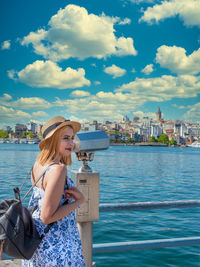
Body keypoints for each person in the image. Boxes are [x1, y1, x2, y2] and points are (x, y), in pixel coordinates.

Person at [22, 116, 86, 267]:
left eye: (72, 138)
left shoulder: (38, 164)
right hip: (58, 248)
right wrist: (79, 201)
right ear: (52, 140)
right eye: (65, 138)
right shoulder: (58, 169)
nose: (71, 143)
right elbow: (47, 216)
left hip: (36, 244)